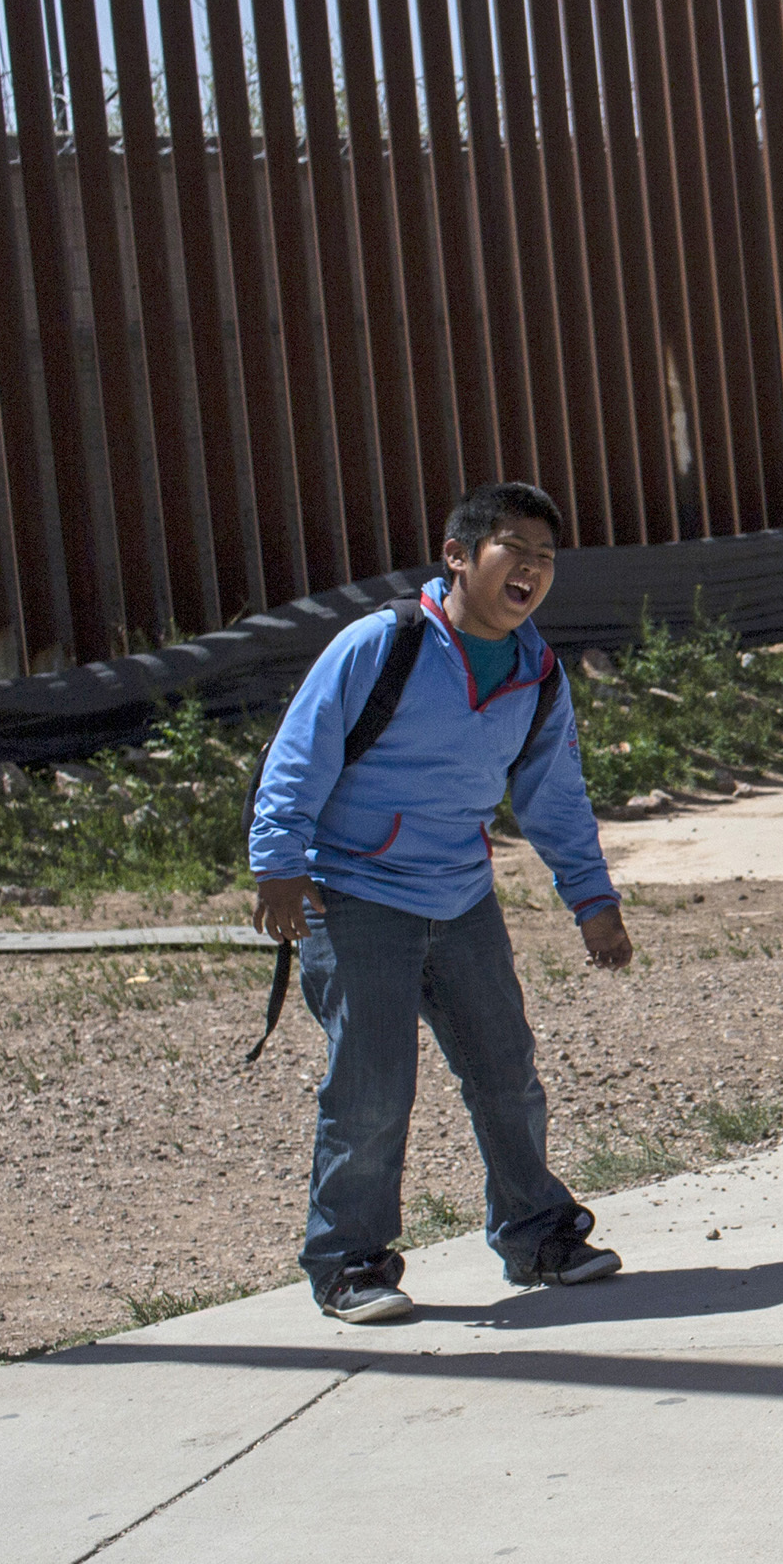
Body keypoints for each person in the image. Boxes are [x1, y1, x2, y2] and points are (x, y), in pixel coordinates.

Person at [249, 481, 632, 1325]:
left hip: (460, 900)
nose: (530, 567)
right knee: (373, 1086)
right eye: (512, 547)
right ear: (458, 556)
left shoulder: (538, 672)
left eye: (545, 555)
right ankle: (349, 1262)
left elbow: (555, 796)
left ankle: (538, 1235)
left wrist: (592, 901)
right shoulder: (381, 643)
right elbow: (300, 753)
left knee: (506, 1072)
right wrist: (278, 866)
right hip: (351, 894)